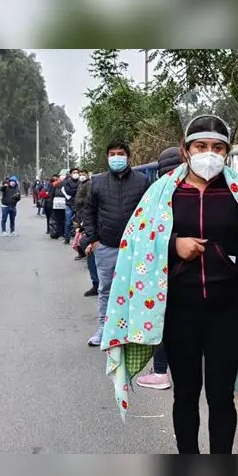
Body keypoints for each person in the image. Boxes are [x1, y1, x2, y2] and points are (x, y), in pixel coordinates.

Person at [100, 118, 238, 454]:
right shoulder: (162, 194)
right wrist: (173, 245)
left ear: (227, 152)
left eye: (218, 147)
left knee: (221, 397)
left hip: (228, 311)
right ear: (185, 150)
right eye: (201, 146)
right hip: (179, 311)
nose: (209, 154)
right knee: (185, 395)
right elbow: (137, 241)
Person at [82, 141, 149, 347]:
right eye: (112, 154)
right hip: (106, 245)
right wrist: (93, 239)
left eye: (120, 153)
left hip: (135, 248)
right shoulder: (97, 182)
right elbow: (88, 212)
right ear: (107, 157)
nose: (116, 157)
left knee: (135, 288)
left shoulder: (142, 181)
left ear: (128, 157)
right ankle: (105, 329)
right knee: (106, 289)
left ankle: (133, 330)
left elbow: (149, 212)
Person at [134, 145, 182, 391]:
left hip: (164, 271)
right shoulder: (198, 191)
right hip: (198, 274)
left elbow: (145, 236)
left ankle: (161, 371)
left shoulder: (156, 194)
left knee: (162, 320)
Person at [62, 167, 80, 245]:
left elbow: (82, 192)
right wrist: (77, 191)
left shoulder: (80, 182)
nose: (76, 174)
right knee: (68, 222)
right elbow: (68, 192)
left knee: (79, 223)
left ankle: (78, 240)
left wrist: (75, 191)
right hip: (69, 204)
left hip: (79, 205)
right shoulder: (67, 182)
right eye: (74, 172)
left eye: (77, 172)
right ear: (70, 174)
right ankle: (67, 239)